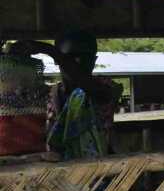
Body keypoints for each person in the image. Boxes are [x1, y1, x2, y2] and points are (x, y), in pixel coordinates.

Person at [8, 31, 121, 159]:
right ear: (58, 62)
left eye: (85, 57)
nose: (78, 61)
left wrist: (49, 50)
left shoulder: (106, 88)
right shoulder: (49, 94)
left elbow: (96, 91)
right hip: (57, 170)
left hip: (97, 170)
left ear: (94, 60)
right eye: (71, 57)